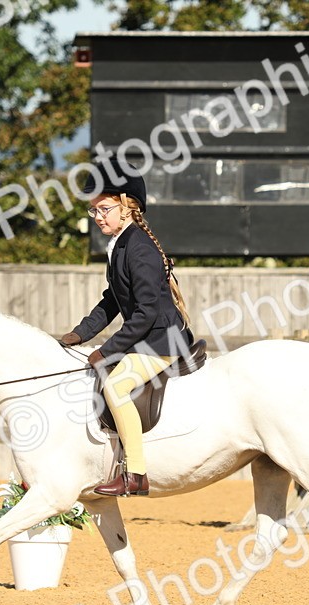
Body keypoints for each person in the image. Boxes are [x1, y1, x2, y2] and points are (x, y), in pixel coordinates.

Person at [59, 162, 194, 497]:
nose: (98, 217)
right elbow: (113, 300)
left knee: (117, 387)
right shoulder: (120, 243)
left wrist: (107, 350)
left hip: (163, 339)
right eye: (93, 211)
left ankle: (135, 473)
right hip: (148, 336)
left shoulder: (139, 248)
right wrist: (80, 333)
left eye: (104, 209)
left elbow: (146, 312)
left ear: (128, 205)